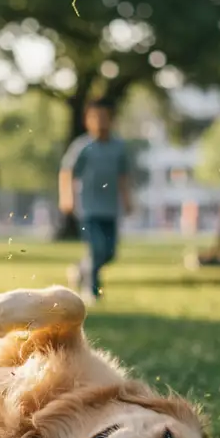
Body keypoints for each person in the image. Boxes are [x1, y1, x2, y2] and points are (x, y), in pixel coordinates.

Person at [59, 98, 134, 303]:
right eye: (96, 117)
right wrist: (67, 197)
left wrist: (127, 199)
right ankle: (91, 290)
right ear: (88, 121)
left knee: (110, 253)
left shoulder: (118, 146)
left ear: (111, 120)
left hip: (110, 208)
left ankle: (81, 269)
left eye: (104, 117)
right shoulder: (83, 146)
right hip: (88, 207)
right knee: (96, 248)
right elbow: (67, 172)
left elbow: (123, 175)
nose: (100, 122)